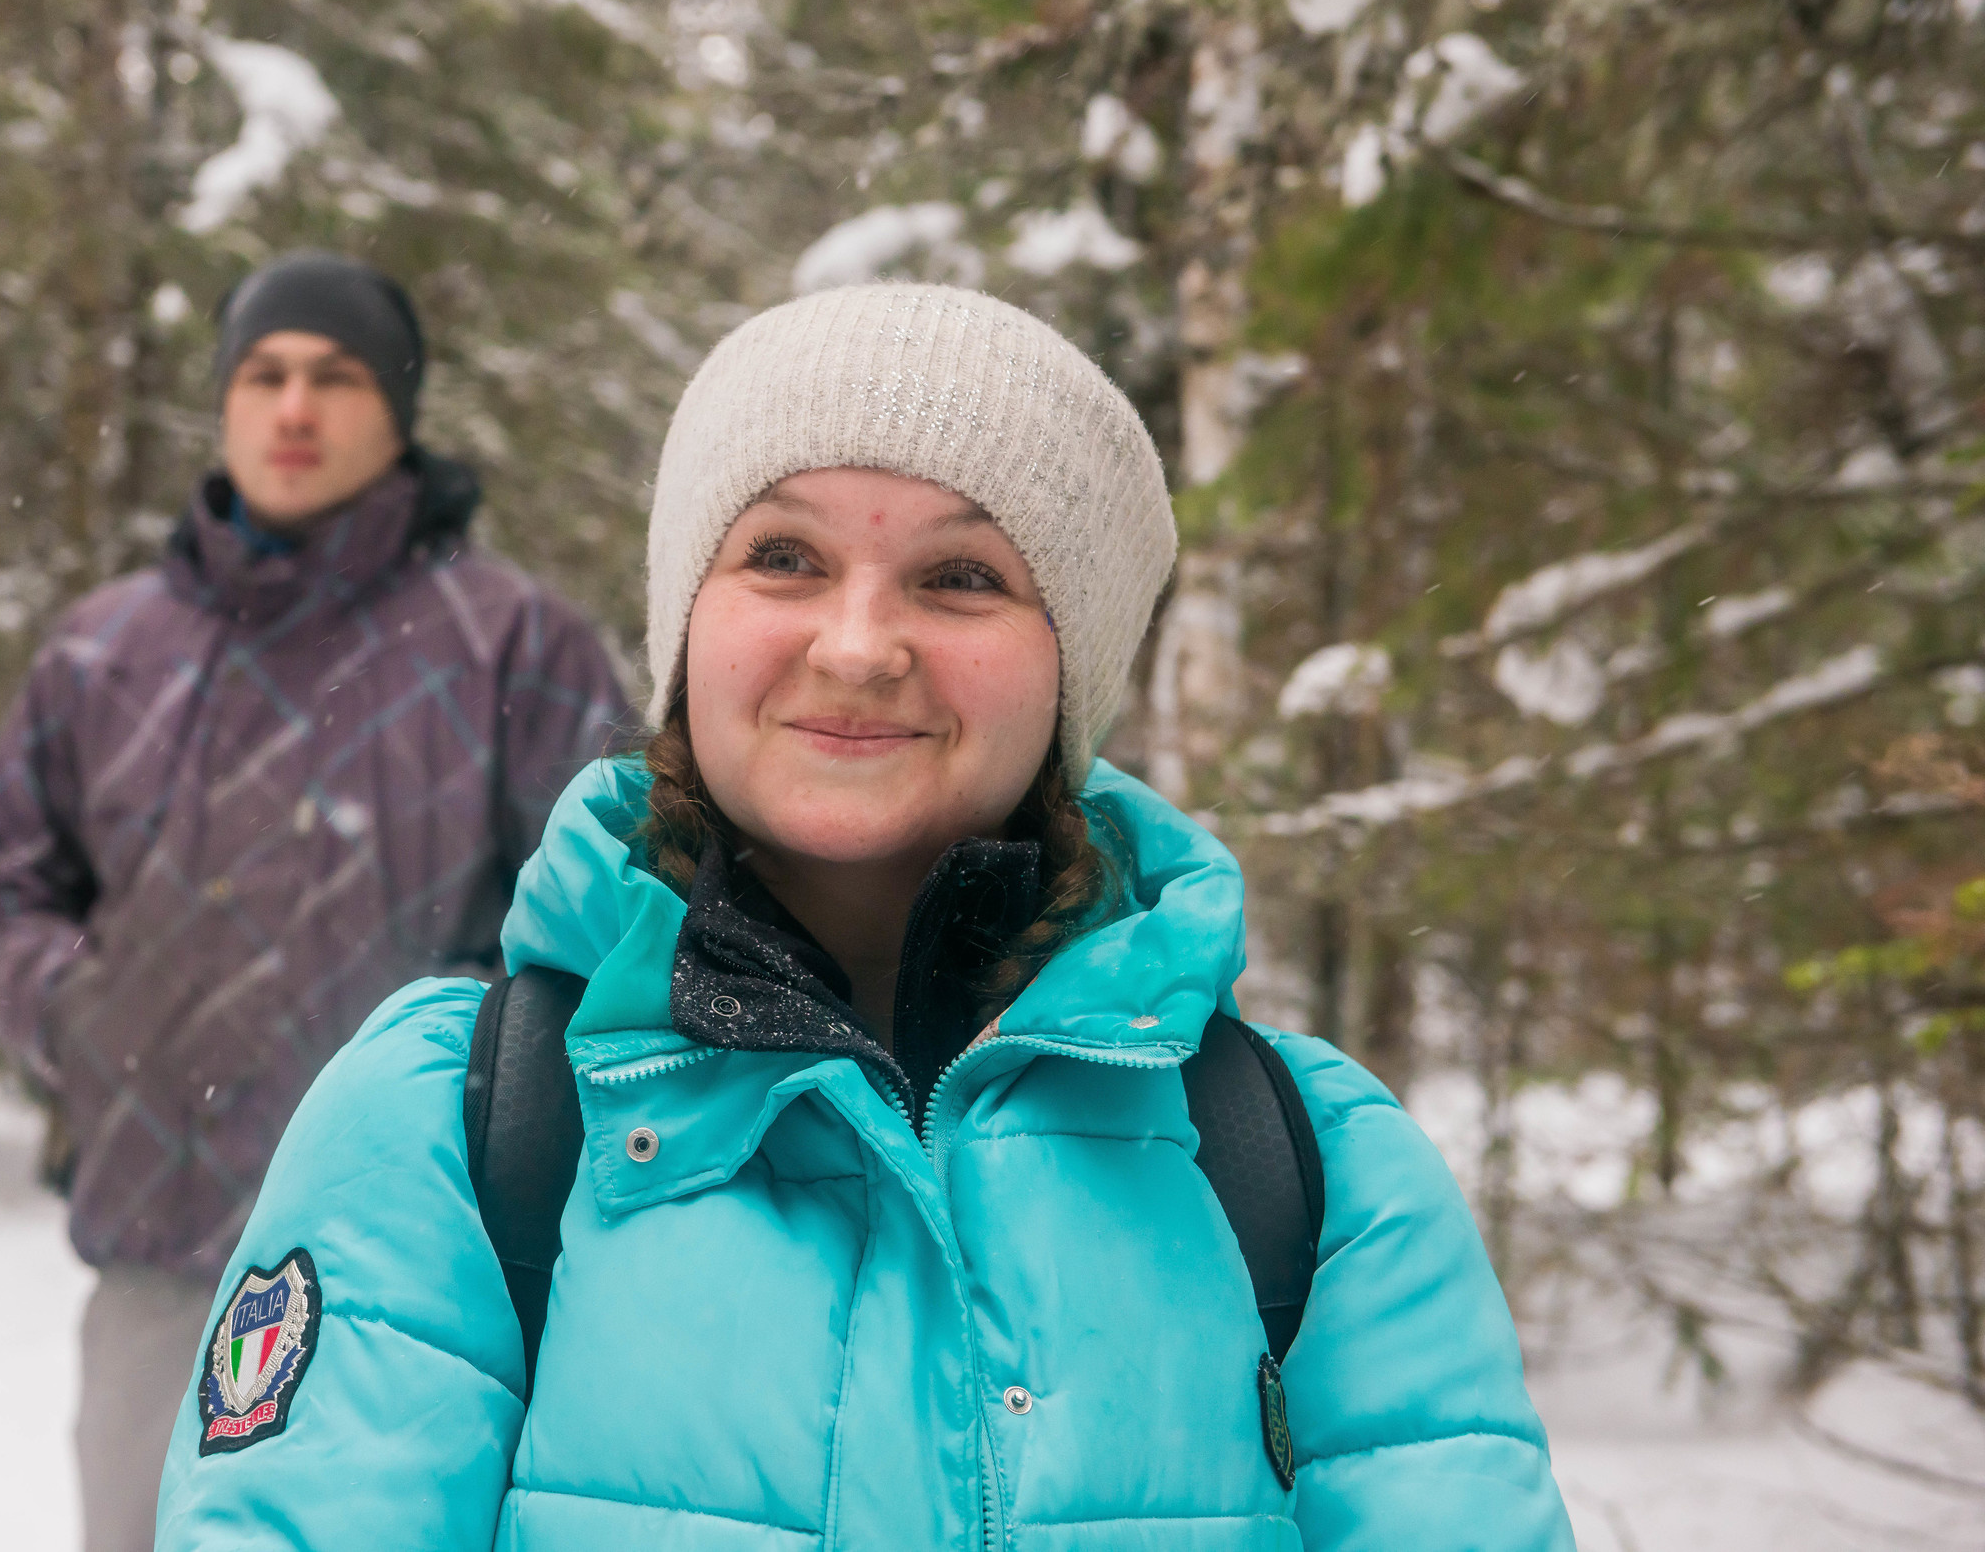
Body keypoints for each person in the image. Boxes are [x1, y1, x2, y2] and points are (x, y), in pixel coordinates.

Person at [153, 283, 1576, 1550]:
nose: (857, 643)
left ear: (1070, 665)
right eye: (783, 557)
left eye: (963, 577)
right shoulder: (455, 1126)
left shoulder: (1305, 1167)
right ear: (686, 626)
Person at [0, 251, 626, 1552]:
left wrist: (483, 1085)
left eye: (336, 374)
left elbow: (606, 915)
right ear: (224, 402)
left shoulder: (514, 640)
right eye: (263, 374)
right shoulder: (103, 650)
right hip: (162, 1243)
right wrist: (82, 1019)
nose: (294, 406)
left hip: (431, 1257)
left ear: (402, 409)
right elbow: (7, 884)